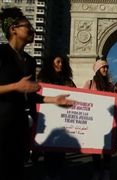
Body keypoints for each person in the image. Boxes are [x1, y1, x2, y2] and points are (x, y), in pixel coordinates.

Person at [0, 7, 73, 180]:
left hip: (19, 126)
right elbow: (21, 87)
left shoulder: (30, 61)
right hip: (1, 125)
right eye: (28, 26)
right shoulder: (1, 53)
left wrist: (54, 99)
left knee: (16, 171)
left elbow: (31, 95)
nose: (32, 30)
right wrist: (15, 87)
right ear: (13, 29)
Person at [37, 54, 76, 179]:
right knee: (49, 151)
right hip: (48, 120)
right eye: (58, 62)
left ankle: (57, 174)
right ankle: (48, 174)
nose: (61, 64)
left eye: (62, 62)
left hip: (64, 120)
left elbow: (76, 94)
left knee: (60, 152)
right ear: (51, 63)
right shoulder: (42, 79)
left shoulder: (68, 81)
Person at [83, 58, 114, 180]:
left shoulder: (110, 85)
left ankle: (106, 170)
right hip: (93, 121)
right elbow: (81, 99)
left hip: (106, 121)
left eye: (106, 67)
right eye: (103, 67)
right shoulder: (89, 83)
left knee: (107, 148)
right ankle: (96, 170)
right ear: (97, 69)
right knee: (95, 148)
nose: (106, 69)